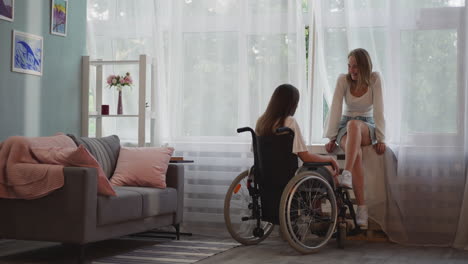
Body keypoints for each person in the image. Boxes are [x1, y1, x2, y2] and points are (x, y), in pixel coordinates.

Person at [324, 48, 386, 228]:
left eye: (356, 66)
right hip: (346, 125)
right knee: (355, 150)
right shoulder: (343, 80)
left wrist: (381, 138)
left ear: (365, 66)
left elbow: (380, 109)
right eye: (349, 66)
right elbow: (335, 107)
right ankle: (362, 208)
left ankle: (347, 173)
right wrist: (332, 136)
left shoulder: (374, 79)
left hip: (367, 125)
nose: (352, 70)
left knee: (354, 126)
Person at [256, 84, 340, 177]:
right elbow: (306, 157)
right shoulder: (289, 122)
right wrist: (329, 159)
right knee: (330, 169)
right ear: (291, 104)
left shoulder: (261, 122)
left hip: (265, 177)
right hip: (287, 178)